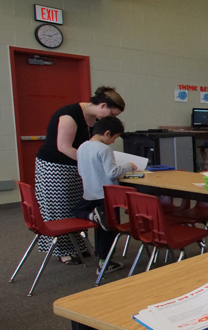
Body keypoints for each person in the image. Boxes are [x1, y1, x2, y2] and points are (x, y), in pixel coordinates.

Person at [35, 86, 124, 265]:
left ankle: (78, 246)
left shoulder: (94, 119)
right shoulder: (70, 115)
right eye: (111, 114)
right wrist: (92, 163)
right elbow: (64, 147)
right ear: (103, 105)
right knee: (59, 209)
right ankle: (64, 252)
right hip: (55, 166)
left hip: (75, 167)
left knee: (73, 206)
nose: (110, 119)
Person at [73, 116, 136, 274]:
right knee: (109, 229)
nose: (114, 142)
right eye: (114, 138)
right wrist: (128, 166)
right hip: (107, 196)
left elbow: (81, 170)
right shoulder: (104, 149)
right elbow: (112, 173)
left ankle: (93, 216)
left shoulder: (82, 147)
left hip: (89, 193)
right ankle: (104, 262)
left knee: (77, 212)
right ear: (107, 133)